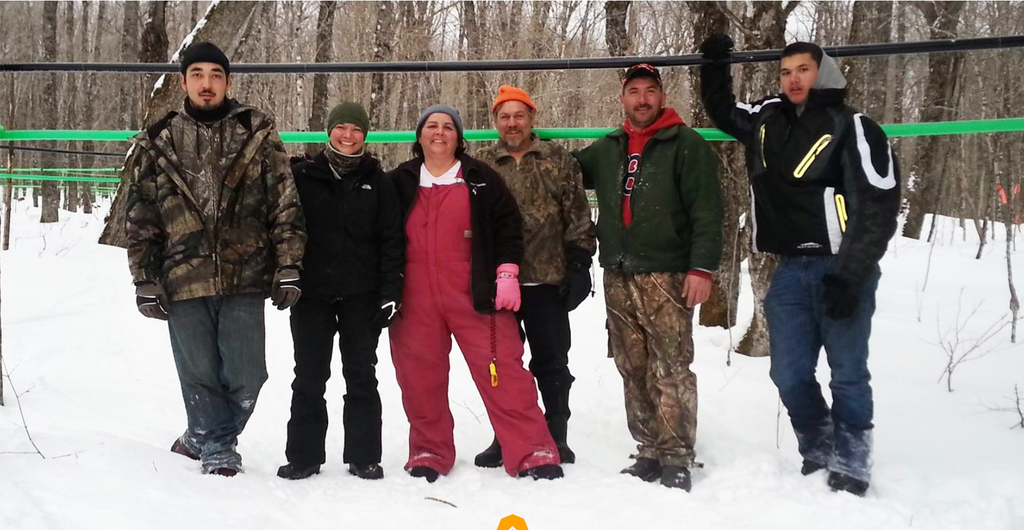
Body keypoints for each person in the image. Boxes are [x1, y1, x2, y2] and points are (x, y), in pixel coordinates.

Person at [700, 36, 901, 497]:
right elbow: (723, 111)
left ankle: (852, 459)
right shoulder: (767, 119)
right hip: (789, 269)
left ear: (822, 72)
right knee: (788, 372)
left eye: (803, 70)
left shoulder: (855, 126)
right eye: (786, 71)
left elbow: (877, 205)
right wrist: (715, 63)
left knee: (848, 370)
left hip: (841, 266)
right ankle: (819, 445)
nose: (793, 78)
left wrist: (850, 277)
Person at [125, 42, 306, 476]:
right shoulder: (158, 140)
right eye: (198, 74)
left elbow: (284, 202)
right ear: (184, 81)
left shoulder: (256, 131)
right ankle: (219, 448)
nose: (207, 84)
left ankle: (199, 435)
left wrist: (288, 264)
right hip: (182, 274)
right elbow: (141, 215)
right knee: (199, 373)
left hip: (245, 272)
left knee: (248, 375)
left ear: (228, 82)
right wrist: (144, 277)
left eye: (216, 75)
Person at [388, 104, 563, 482]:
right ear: (419, 136)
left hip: (475, 291)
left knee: (504, 371)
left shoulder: (480, 177)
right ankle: (429, 450)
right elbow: (379, 237)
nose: (439, 132)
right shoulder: (399, 181)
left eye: (448, 126)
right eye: (431, 125)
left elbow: (507, 224)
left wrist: (506, 271)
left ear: (458, 136)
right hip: (414, 297)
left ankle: (533, 449)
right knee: (420, 378)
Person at [574, 64, 723, 492]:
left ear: (662, 96)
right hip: (619, 271)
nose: (642, 99)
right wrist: (529, 143)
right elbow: (565, 171)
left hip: (669, 272)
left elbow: (707, 211)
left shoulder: (685, 144)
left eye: (650, 91)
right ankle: (648, 450)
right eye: (634, 91)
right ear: (622, 98)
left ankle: (676, 455)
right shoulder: (608, 148)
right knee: (631, 364)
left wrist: (701, 268)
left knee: (671, 365)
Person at [276, 102, 404, 481]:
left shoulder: (379, 182)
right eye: (341, 128)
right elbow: (283, 226)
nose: (348, 136)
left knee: (362, 375)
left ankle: (364, 454)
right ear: (329, 131)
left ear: (366, 135)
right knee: (309, 376)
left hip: (361, 296)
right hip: (312, 294)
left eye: (356, 129)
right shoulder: (302, 176)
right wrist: (287, 274)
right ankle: (304, 455)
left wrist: (389, 290)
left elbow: (391, 241)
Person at [473, 85, 597, 467]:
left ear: (532, 119)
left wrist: (579, 264)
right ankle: (505, 436)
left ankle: (557, 435)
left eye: (519, 116)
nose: (512, 124)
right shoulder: (481, 164)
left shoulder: (559, 160)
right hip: (498, 284)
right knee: (503, 366)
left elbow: (577, 214)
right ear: (495, 122)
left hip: (548, 280)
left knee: (552, 363)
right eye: (504, 117)